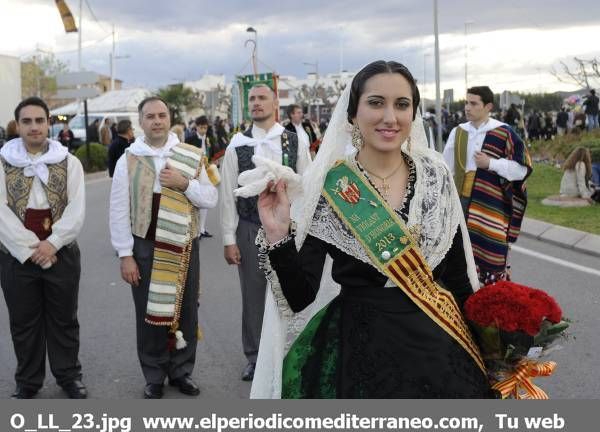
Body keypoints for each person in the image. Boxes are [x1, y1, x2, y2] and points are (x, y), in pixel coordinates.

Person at [250, 60, 493, 398]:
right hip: (359, 349)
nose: (390, 117)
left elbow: (456, 278)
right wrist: (278, 236)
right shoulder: (330, 187)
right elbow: (300, 295)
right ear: (353, 114)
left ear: (414, 114)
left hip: (438, 345)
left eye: (402, 104)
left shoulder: (435, 178)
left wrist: (494, 347)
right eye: (376, 103)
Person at [109, 96, 218, 399]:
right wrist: (125, 254)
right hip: (145, 244)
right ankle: (154, 374)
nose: (156, 120)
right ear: (140, 122)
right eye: (149, 116)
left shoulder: (192, 156)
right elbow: (118, 209)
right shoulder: (129, 159)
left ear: (170, 118)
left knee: (186, 310)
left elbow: (211, 199)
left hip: (184, 244)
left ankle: (182, 372)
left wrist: (185, 184)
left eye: (161, 115)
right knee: (149, 311)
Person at [220, 84, 311, 382]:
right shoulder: (237, 146)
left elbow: (307, 187)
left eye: (262, 98)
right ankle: (255, 356)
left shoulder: (295, 141)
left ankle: (291, 350)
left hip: (290, 228)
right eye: (252, 99)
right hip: (249, 227)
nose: (256, 103)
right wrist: (228, 239)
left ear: (275, 103)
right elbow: (227, 196)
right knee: (254, 294)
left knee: (292, 288)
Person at [0, 97, 87, 399]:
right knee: (24, 322)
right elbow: (1, 214)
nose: (34, 127)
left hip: (60, 251)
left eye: (39, 120)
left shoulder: (69, 162)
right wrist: (29, 249)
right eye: (27, 121)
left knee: (64, 319)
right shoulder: (2, 163)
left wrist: (52, 244)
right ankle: (28, 380)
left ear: (48, 122)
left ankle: (68, 376)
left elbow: (76, 209)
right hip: (15, 255)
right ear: (18, 125)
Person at [443, 86, 532, 285]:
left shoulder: (503, 132)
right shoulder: (458, 132)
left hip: (491, 204)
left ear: (488, 106)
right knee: (458, 251)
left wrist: (491, 163)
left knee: (491, 249)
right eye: (466, 102)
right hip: (460, 201)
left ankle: (490, 295)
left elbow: (522, 169)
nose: (467, 107)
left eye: (473, 103)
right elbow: (445, 168)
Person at [186, 116, 217, 238]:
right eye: (201, 127)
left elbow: (214, 152)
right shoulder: (190, 139)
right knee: (193, 199)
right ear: (196, 127)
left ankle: (202, 229)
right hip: (194, 172)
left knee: (205, 199)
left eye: (205, 127)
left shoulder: (209, 138)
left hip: (207, 171)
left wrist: (214, 162)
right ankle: (193, 228)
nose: (203, 130)